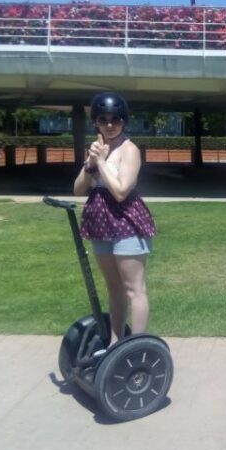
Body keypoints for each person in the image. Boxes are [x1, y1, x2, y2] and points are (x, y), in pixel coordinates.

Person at [74, 92, 156, 346]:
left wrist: (101, 162)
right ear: (95, 122)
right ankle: (115, 343)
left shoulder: (129, 150)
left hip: (126, 223)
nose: (109, 125)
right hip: (100, 224)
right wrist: (90, 164)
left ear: (124, 121)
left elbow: (121, 191)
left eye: (115, 119)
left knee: (134, 290)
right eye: (103, 119)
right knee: (114, 289)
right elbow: (78, 190)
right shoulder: (96, 150)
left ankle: (135, 346)